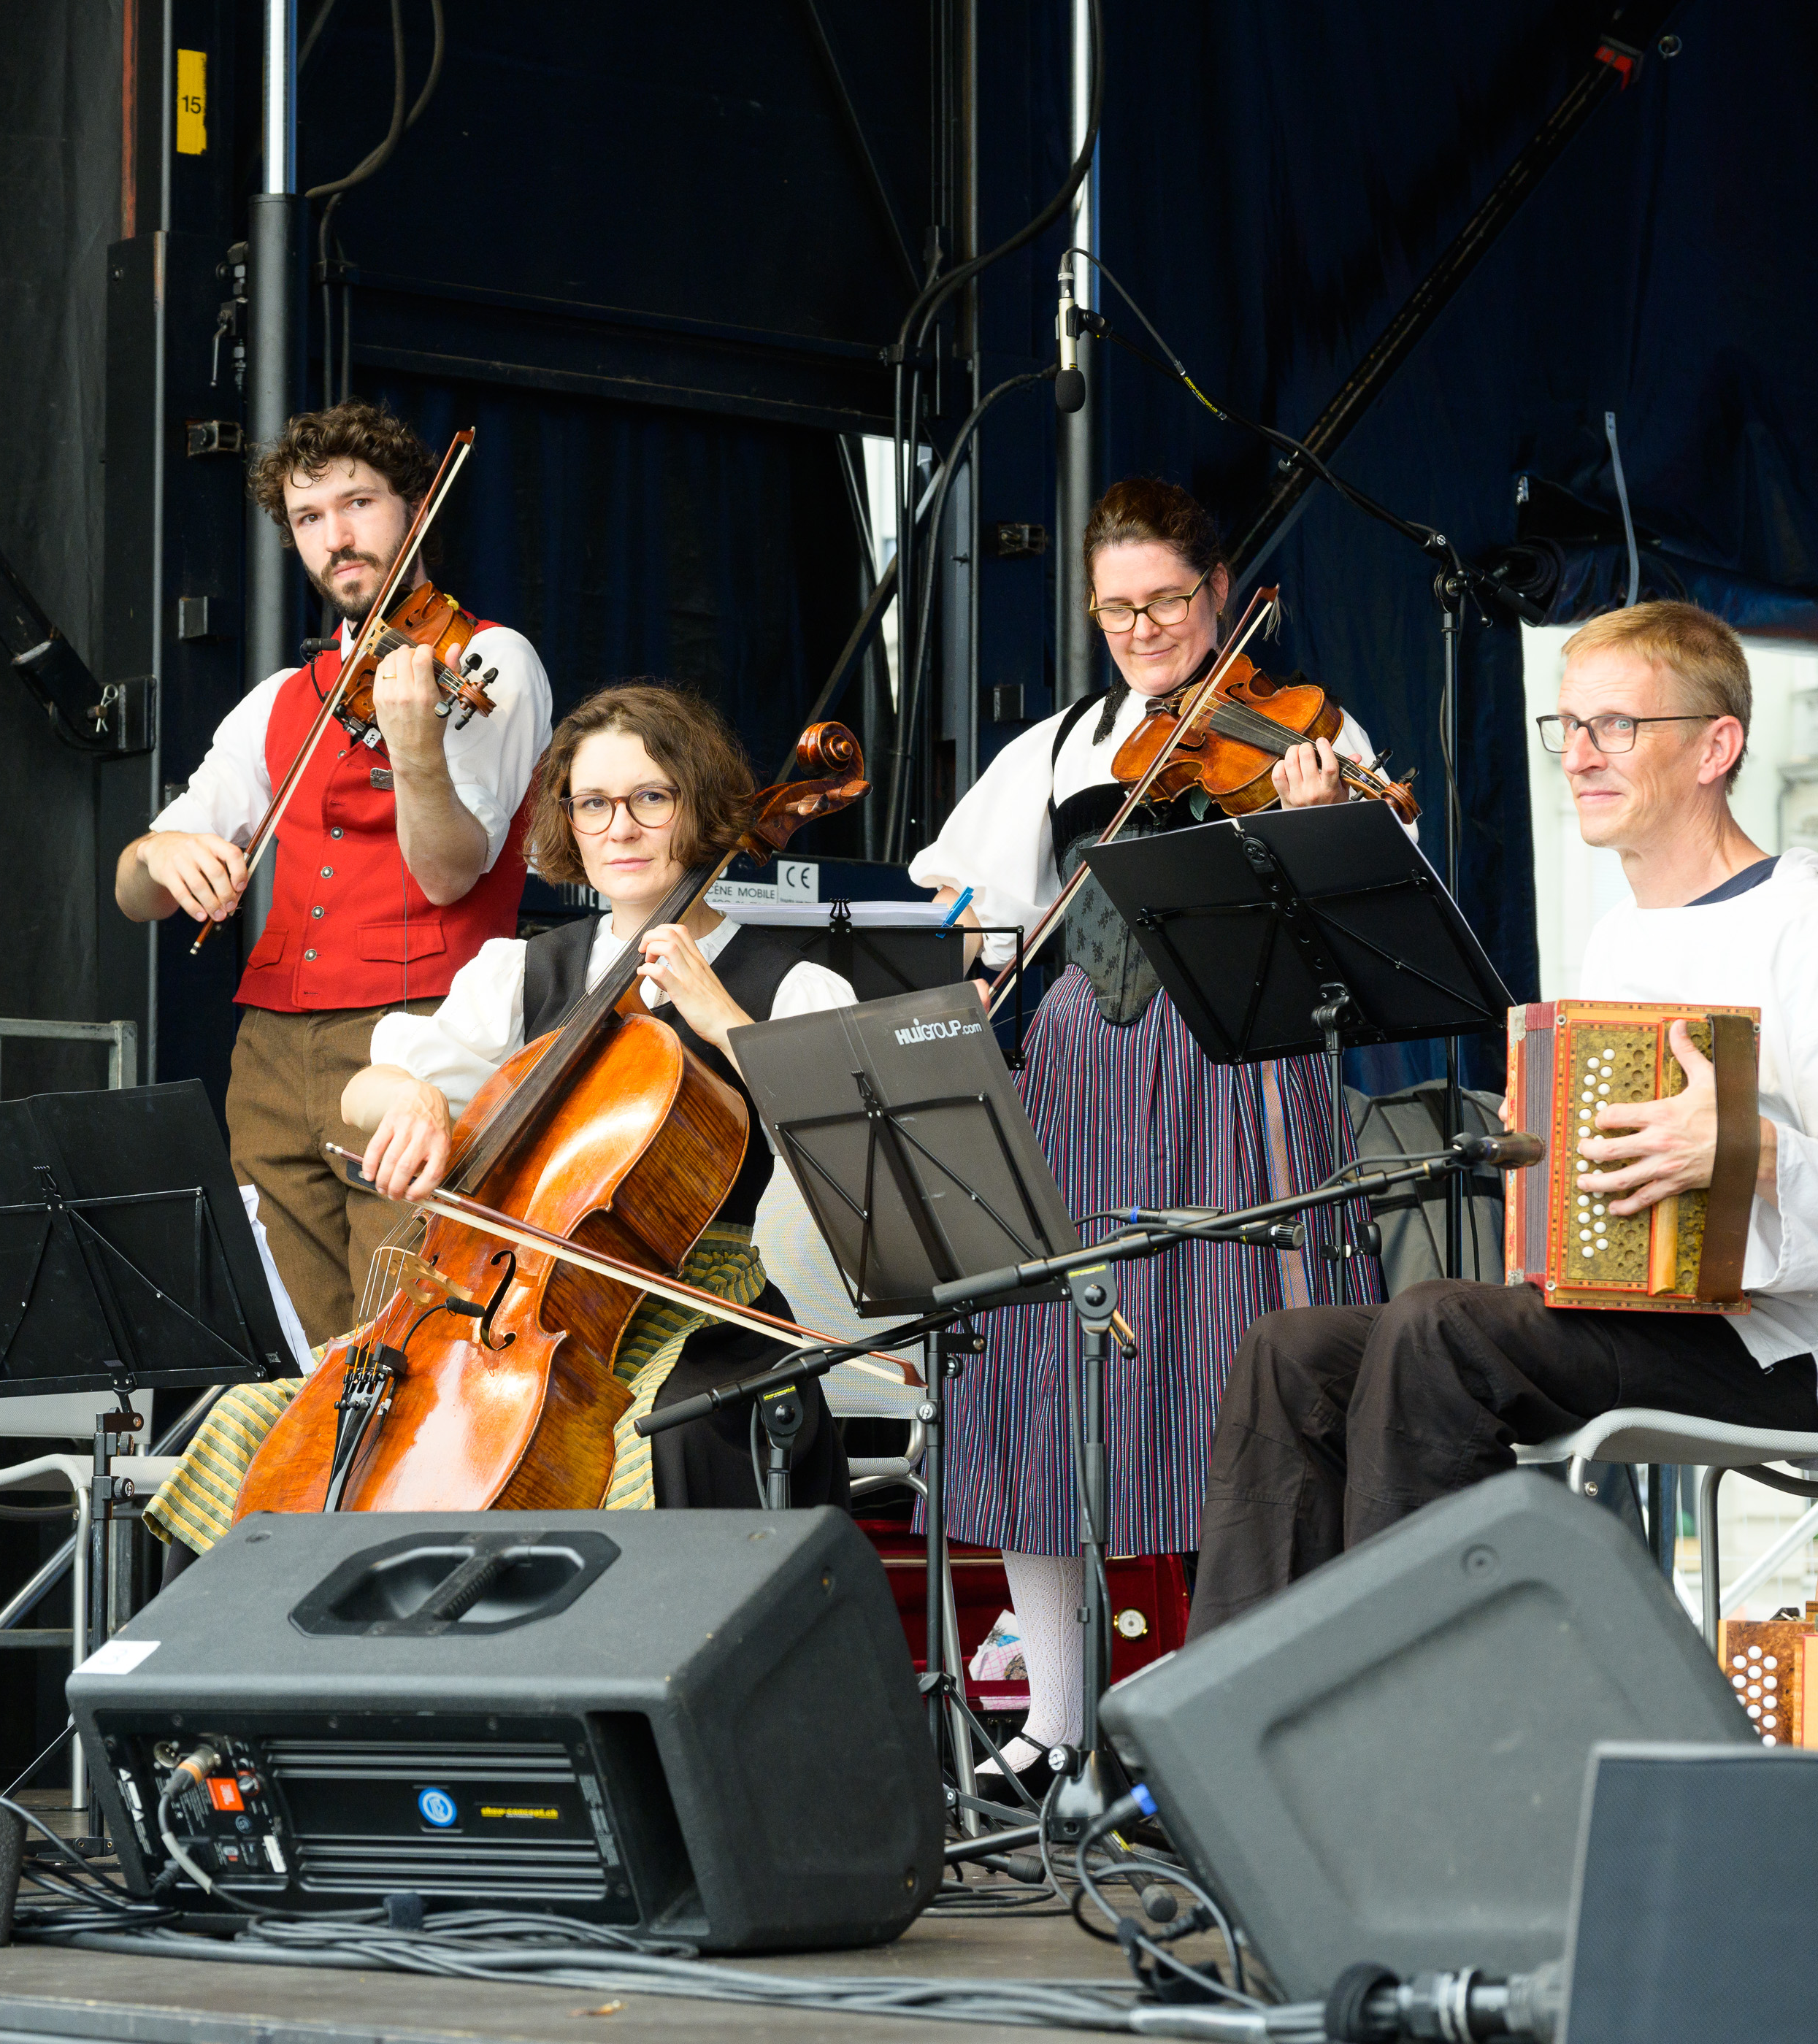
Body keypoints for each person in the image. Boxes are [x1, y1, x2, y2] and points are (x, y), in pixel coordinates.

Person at [1194, 601, 1818, 1629]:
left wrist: (1745, 1149)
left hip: (1787, 1353)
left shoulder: (1811, 919)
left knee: (1436, 1329)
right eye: (1568, 727)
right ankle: (1248, 1722)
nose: (1579, 755)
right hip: (1638, 1317)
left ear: (1718, 744)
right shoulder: (1625, 933)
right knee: (1293, 1349)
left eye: (1616, 727)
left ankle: (1417, 1707)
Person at [906, 476, 1393, 1786]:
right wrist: (972, 984)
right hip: (1076, 1064)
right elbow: (979, 922)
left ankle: (1240, 1709)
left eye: (1167, 599)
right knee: (1035, 1363)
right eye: (1115, 606)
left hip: (1238, 1070)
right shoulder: (1058, 748)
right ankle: (1056, 1720)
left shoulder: (1304, 728)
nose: (1141, 627)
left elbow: (1366, 912)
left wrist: (1315, 813)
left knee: (1229, 1363)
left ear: (1222, 591)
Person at [142, 683, 859, 1553]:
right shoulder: (524, 974)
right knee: (254, 1420)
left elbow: (847, 1154)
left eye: (650, 799)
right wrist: (405, 1097)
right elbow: (362, 1090)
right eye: (592, 804)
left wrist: (723, 1023)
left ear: (701, 805)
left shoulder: (789, 985)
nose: (619, 828)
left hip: (698, 1315)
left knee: (654, 1440)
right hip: (514, 1313)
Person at [115, 399, 551, 1338]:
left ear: (417, 506)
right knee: (291, 1348)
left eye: (358, 504)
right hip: (272, 1053)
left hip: (421, 1033)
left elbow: (450, 874)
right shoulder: (282, 698)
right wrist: (163, 851)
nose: (337, 536)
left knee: (405, 1338)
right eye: (310, 519)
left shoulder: (487, 659)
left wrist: (416, 747)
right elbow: (132, 888)